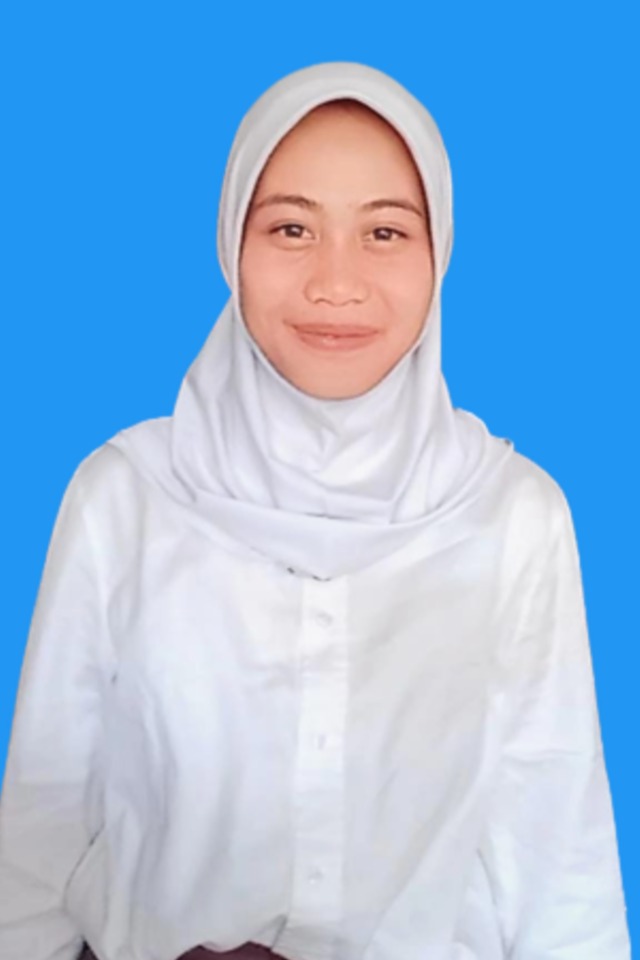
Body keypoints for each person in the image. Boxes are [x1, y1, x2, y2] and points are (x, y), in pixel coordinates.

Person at [0, 60, 630, 960]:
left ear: (439, 252)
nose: (337, 283)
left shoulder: (512, 515)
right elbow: (38, 834)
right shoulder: (126, 498)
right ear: (232, 243)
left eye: (385, 232)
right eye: (291, 228)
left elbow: (558, 843)